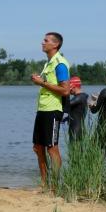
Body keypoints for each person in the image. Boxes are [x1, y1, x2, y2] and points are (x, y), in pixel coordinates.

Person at [30, 32, 70, 187]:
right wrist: (40, 81)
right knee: (38, 147)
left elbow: (65, 90)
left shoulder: (60, 63)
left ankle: (55, 186)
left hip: (53, 110)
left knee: (52, 148)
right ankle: (44, 184)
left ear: (55, 44)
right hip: (42, 109)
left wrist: (42, 83)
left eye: (46, 40)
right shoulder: (48, 63)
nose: (42, 42)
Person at [65, 76, 88, 141]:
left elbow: (66, 107)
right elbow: (77, 112)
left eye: (70, 88)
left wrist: (66, 93)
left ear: (74, 87)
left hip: (76, 130)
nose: (70, 90)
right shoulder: (81, 97)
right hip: (77, 128)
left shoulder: (79, 98)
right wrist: (67, 118)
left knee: (74, 146)